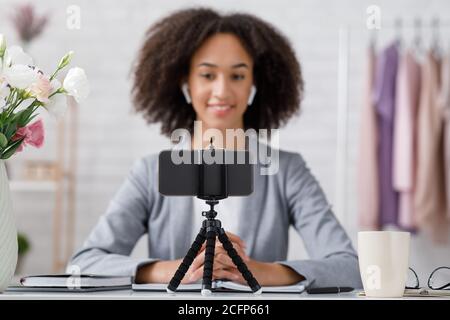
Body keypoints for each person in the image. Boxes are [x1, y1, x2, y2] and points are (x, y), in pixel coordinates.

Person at [68, 7, 362, 289]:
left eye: (237, 75)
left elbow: (350, 269)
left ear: (254, 85)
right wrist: (177, 269)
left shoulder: (286, 171)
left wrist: (256, 271)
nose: (221, 91)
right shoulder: (151, 172)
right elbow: (85, 264)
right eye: (207, 75)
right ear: (185, 81)